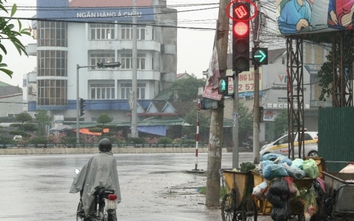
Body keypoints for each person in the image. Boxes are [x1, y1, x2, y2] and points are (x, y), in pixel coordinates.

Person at [70, 138, 121, 220]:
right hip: (109, 187)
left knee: (88, 196)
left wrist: (77, 180)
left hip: (96, 186)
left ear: (99, 147)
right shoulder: (112, 159)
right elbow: (114, 175)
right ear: (110, 147)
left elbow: (85, 170)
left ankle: (89, 214)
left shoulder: (94, 158)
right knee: (112, 211)